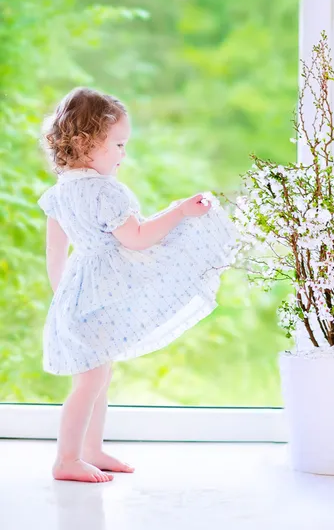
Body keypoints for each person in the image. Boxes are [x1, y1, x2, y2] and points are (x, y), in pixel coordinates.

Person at [38, 87, 240, 483]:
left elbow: (54, 249)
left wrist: (61, 293)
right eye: (118, 144)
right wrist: (180, 211)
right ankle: (66, 459)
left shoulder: (59, 193)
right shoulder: (105, 191)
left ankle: (90, 450)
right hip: (99, 295)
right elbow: (137, 238)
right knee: (91, 379)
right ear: (86, 142)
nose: (122, 154)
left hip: (79, 292)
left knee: (99, 374)